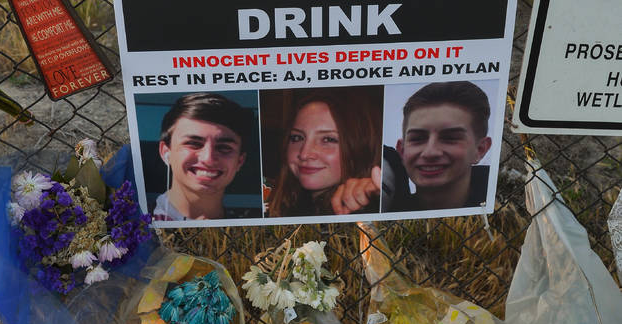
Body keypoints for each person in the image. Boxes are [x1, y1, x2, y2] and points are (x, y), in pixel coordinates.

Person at [331, 82, 492, 214]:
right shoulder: (385, 207)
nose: (430, 152)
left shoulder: (501, 204)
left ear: (480, 150)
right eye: (417, 139)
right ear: (401, 150)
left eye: (450, 138)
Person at [266, 87, 383, 218]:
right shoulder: (273, 201)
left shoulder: (373, 207)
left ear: (361, 148)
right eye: (297, 137)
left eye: (328, 139)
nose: (304, 154)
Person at [152, 93, 257, 221]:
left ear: (240, 161)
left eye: (224, 147)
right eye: (193, 144)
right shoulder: (137, 225)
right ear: (165, 152)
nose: (208, 159)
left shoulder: (250, 230)